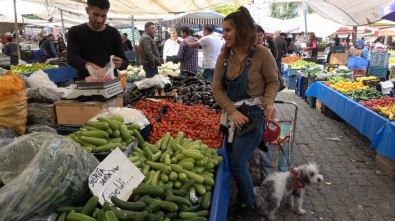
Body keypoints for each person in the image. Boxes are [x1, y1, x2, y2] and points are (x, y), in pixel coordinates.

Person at [212, 6, 279, 221]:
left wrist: (268, 103)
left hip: (253, 116)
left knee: (238, 162)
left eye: (228, 30)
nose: (224, 35)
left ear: (241, 30)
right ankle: (242, 197)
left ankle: (249, 204)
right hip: (232, 116)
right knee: (237, 163)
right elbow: (217, 89)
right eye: (224, 30)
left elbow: (273, 82)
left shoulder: (262, 54)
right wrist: (232, 111)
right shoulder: (224, 57)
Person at [67, 0, 128, 80]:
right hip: (86, 84)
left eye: (103, 16)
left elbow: (124, 60)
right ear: (87, 10)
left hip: (110, 83)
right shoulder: (75, 32)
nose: (100, 20)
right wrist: (89, 65)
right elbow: (72, 58)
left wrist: (121, 63)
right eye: (96, 15)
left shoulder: (113, 33)